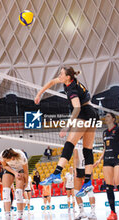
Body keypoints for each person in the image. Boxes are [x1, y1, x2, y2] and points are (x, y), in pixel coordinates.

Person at [34, 67, 99, 197]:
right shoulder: (70, 82)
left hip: (84, 113)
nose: (59, 75)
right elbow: (52, 82)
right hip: (93, 114)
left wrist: (66, 126)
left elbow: (77, 108)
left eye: (61, 74)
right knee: (87, 150)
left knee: (69, 144)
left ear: (68, 77)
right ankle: (87, 182)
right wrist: (39, 94)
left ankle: (57, 173)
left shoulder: (72, 90)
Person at [0, 148, 28, 220]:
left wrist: (26, 182)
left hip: (20, 169)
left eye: (6, 160)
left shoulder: (22, 156)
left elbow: (26, 171)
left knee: (19, 192)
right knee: (5, 191)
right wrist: (14, 173)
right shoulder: (2, 155)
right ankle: (7, 218)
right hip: (10, 169)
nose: (4, 160)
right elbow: (5, 166)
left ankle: (20, 218)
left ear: (12, 158)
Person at [73, 148, 96, 220]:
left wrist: (74, 169)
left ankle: (82, 211)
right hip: (88, 168)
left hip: (79, 168)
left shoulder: (76, 145)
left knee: (76, 192)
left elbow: (75, 158)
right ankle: (92, 212)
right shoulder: (88, 144)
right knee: (90, 191)